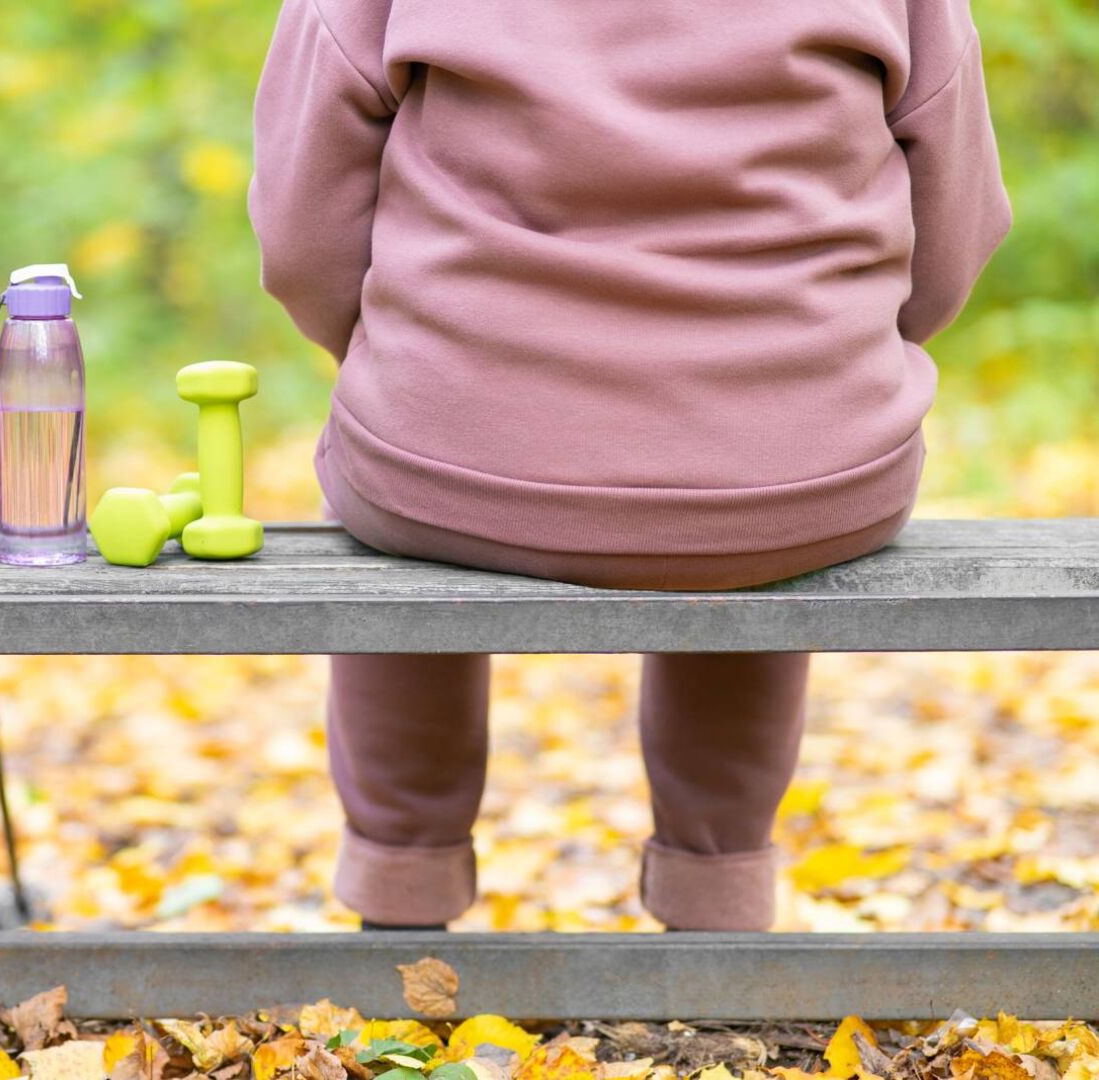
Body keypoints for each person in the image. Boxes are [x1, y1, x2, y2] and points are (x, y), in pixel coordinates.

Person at [249, 0, 1011, 930]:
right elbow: (957, 218)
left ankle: (400, 880)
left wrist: (410, 372)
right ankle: (717, 892)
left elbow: (299, 228)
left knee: (403, 485)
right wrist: (832, 364)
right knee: (754, 498)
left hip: (447, 453)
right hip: (806, 467)